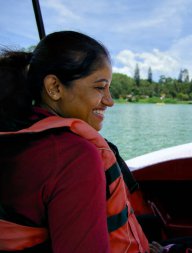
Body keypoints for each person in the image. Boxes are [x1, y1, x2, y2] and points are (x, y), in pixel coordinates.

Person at [0, 31, 149, 252]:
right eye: (100, 87)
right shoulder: (74, 157)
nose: (110, 101)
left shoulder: (16, 133)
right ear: (55, 87)